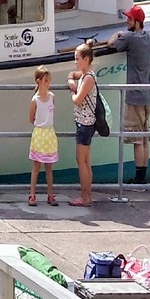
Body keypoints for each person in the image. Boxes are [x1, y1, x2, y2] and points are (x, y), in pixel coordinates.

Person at [109, 4, 150, 184]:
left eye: (129, 19)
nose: (126, 21)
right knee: (144, 138)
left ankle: (138, 180)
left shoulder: (130, 38)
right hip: (147, 96)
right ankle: (143, 178)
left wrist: (117, 34)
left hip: (134, 96)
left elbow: (111, 44)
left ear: (137, 22)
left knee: (137, 139)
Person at [67, 43, 98, 207]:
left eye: (78, 59)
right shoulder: (88, 74)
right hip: (87, 123)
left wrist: (72, 91)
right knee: (85, 161)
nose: (75, 62)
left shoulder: (88, 78)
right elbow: (73, 73)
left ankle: (85, 197)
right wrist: (71, 79)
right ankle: (87, 195)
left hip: (85, 124)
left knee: (81, 160)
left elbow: (78, 100)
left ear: (86, 59)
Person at [28, 65, 58, 206]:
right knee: (36, 166)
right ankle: (32, 194)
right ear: (39, 81)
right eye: (45, 80)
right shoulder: (35, 100)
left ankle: (50, 194)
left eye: (49, 80)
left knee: (49, 167)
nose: (48, 83)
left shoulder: (52, 97)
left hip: (49, 133)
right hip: (40, 133)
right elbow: (31, 118)